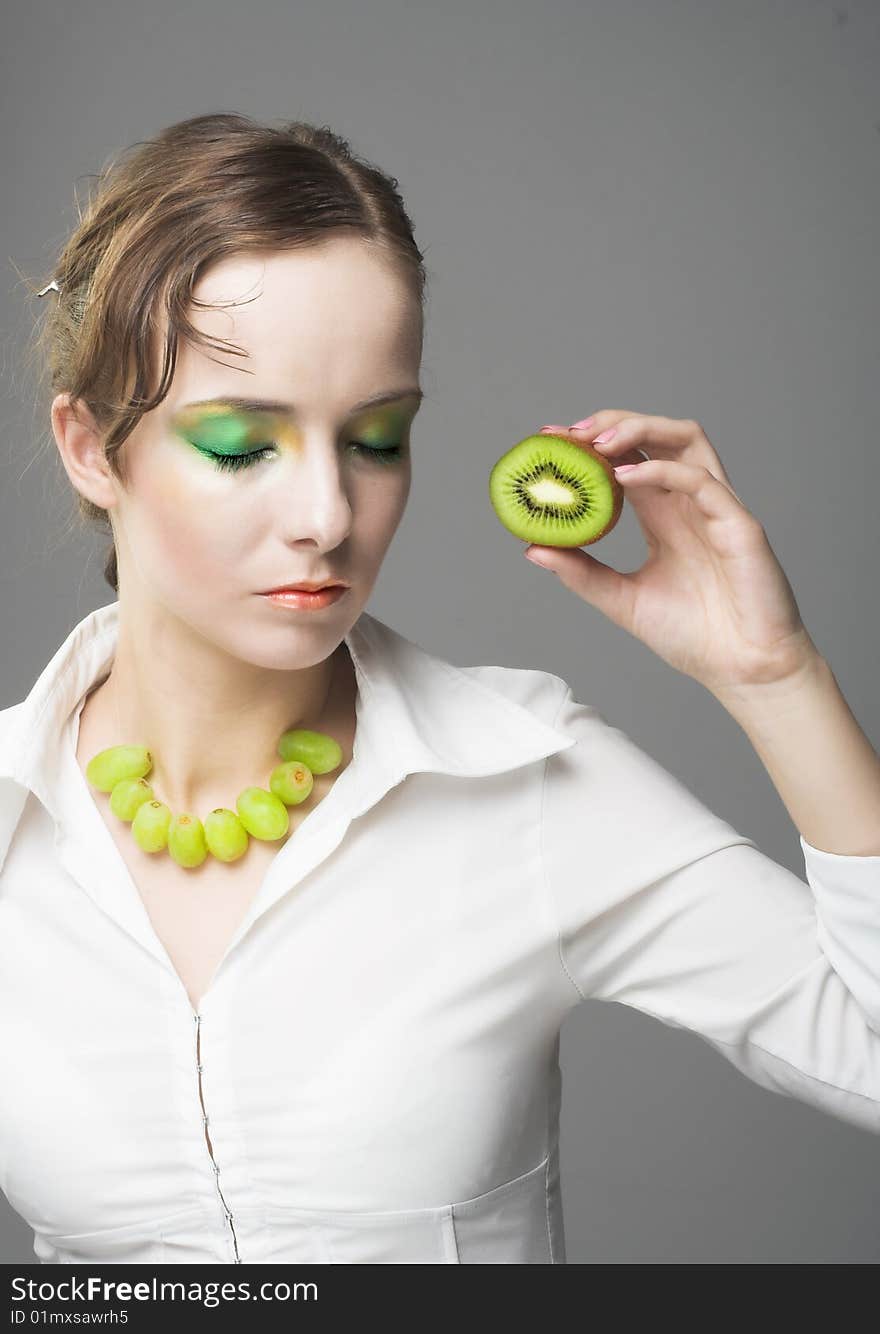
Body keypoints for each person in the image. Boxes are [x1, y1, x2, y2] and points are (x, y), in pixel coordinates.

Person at [0, 112, 878, 1267]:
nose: (326, 515)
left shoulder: (526, 773)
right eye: (240, 444)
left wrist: (776, 677)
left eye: (373, 438)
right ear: (90, 447)